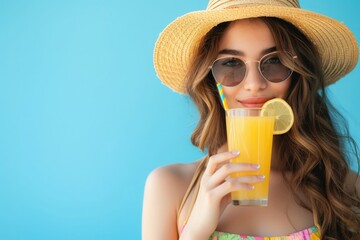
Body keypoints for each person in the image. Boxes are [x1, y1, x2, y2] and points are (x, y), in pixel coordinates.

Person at [142, 0, 360, 239]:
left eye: (274, 61)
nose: (255, 84)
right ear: (210, 80)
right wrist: (196, 230)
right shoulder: (168, 187)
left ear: (297, 74)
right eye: (231, 63)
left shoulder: (344, 190)